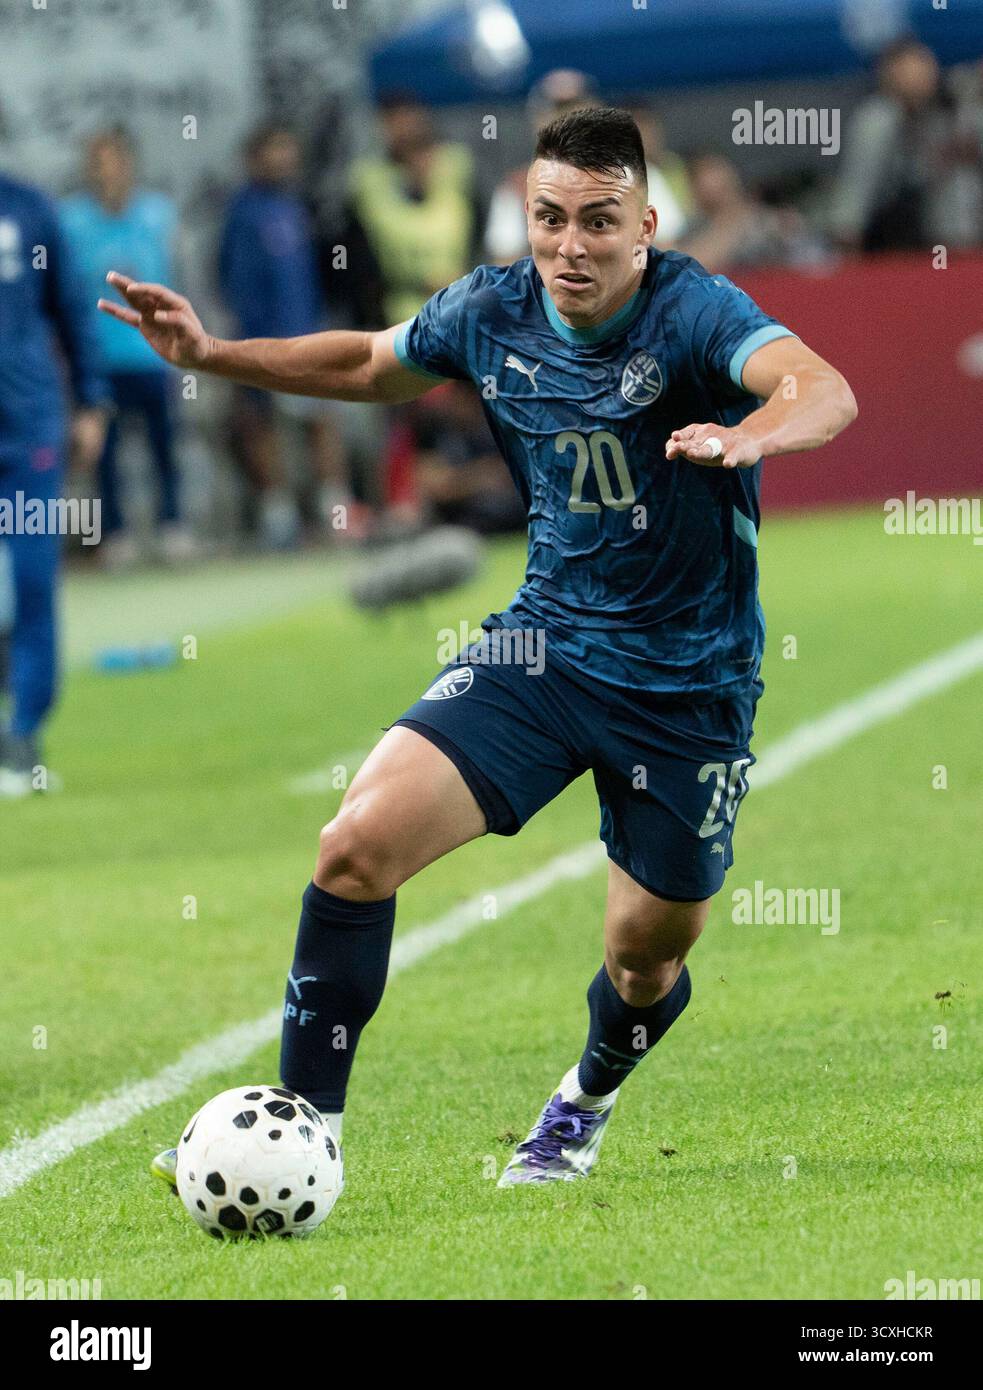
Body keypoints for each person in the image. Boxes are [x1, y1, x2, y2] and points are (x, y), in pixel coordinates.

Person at [99, 107, 857, 1190]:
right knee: (354, 845)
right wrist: (211, 352)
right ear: (525, 216)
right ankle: (303, 1129)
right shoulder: (492, 310)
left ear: (644, 222)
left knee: (645, 954)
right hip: (542, 648)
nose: (570, 246)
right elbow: (370, 362)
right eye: (549, 218)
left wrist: (747, 435)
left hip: (686, 686)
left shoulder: (694, 313)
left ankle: (580, 1103)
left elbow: (822, 387)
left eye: (599, 222)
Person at [0, 169, 108, 796]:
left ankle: (24, 732)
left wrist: (90, 403)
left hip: (27, 433)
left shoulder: (30, 207)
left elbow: (72, 306)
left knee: (33, 580)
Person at [61, 126, 192, 568]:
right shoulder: (71, 221)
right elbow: (66, 294)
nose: (107, 171)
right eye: (98, 162)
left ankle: (173, 525)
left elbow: (180, 278)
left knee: (164, 445)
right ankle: (114, 533)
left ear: (130, 163)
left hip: (155, 355)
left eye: (114, 160)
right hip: (101, 359)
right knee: (106, 452)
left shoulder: (159, 215)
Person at [219, 124, 353, 548]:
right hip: (264, 339)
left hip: (309, 334)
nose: (286, 158)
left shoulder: (298, 205)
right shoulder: (242, 214)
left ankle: (335, 509)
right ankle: (278, 514)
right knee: (262, 425)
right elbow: (234, 280)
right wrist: (256, 339)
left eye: (289, 149)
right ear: (254, 157)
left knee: (321, 419)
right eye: (276, 149)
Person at [828, 37, 983, 252]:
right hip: (897, 246)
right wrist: (847, 235)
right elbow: (855, 192)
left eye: (925, 68)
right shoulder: (877, 119)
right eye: (906, 71)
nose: (919, 78)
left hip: (961, 241)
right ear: (888, 76)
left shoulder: (953, 111)